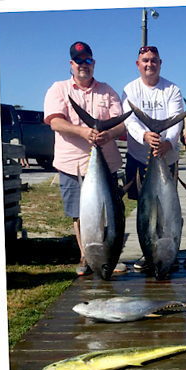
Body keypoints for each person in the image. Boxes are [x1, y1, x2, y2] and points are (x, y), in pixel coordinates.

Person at [43, 41, 128, 277]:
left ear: (94, 63)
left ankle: (108, 254)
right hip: (72, 163)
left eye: (88, 61)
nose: (84, 65)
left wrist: (107, 134)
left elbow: (120, 123)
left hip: (105, 162)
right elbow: (55, 121)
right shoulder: (59, 89)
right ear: (71, 64)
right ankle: (86, 256)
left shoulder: (107, 90)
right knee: (80, 213)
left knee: (109, 211)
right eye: (79, 61)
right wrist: (84, 132)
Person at [122, 45, 186, 272]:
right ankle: (148, 252)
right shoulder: (130, 89)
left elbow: (177, 120)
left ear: (160, 63)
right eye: (145, 60)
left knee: (170, 206)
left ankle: (170, 251)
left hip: (167, 157)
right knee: (144, 208)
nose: (150, 64)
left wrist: (168, 142)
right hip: (139, 155)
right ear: (138, 64)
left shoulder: (172, 89)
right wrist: (145, 136)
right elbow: (129, 121)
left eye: (154, 60)